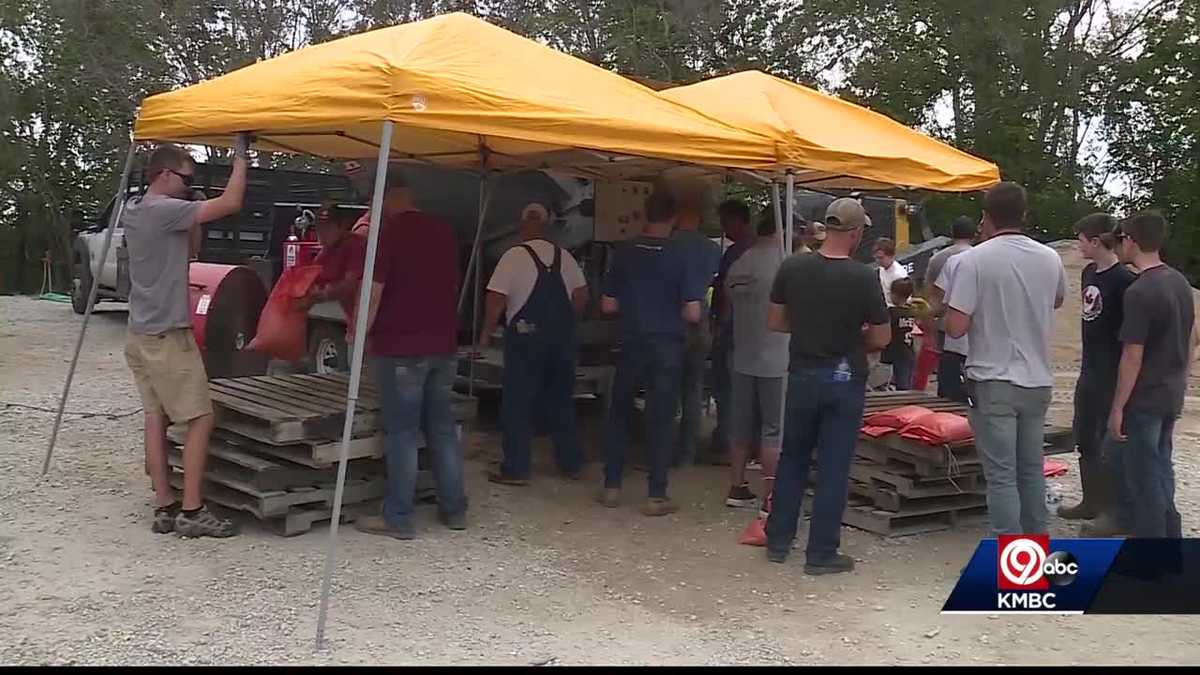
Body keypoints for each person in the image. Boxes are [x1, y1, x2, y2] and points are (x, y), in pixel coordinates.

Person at [122, 137, 249, 538]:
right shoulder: (164, 210)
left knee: (155, 416)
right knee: (200, 416)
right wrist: (242, 158)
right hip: (167, 334)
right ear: (163, 174)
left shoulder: (135, 209)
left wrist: (192, 212)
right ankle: (192, 511)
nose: (189, 185)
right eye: (185, 178)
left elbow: (190, 251)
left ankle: (164, 504)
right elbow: (231, 204)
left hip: (140, 331)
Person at [765, 198, 890, 573]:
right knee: (834, 467)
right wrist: (855, 340)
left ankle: (778, 540)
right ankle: (820, 553)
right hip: (844, 377)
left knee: (793, 458)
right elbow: (882, 337)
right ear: (855, 232)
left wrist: (807, 327)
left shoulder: (793, 266)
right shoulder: (864, 277)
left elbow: (775, 321)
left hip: (802, 373)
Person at [944, 181, 1066, 536]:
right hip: (1037, 380)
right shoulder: (1050, 258)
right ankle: (1036, 548)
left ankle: (1011, 560)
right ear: (1024, 215)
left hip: (993, 378)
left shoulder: (972, 261)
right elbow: (1056, 301)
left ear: (986, 218)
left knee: (1001, 476)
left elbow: (955, 327)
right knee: (1030, 470)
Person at [355, 170, 467, 540]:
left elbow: (374, 293)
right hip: (443, 345)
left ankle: (398, 517)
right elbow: (452, 284)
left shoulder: (389, 236)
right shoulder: (445, 231)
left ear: (387, 197)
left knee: (402, 432)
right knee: (442, 429)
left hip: (402, 347)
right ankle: (454, 509)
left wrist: (360, 334)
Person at [599, 190, 706, 516]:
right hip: (667, 345)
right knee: (661, 418)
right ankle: (656, 495)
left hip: (630, 340)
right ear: (673, 218)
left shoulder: (624, 252)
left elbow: (607, 304)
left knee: (618, 413)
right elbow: (693, 313)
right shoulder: (679, 257)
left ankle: (612, 486)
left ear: (646, 214)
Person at [1101, 212, 1196, 538]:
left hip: (1144, 396)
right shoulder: (1178, 281)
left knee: (1142, 476)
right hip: (1171, 392)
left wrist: (1117, 408)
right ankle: (1172, 538)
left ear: (1131, 240)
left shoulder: (1140, 291)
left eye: (1122, 239)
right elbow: (1190, 336)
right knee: (1161, 467)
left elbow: (1132, 355)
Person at [479, 203, 588, 485]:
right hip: (560, 341)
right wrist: (565, 321)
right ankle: (571, 463)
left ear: (522, 225)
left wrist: (485, 334)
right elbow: (580, 295)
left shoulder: (513, 256)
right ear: (547, 225)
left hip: (526, 339)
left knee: (518, 403)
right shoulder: (564, 256)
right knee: (561, 400)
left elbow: (495, 299)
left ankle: (516, 468)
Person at [1057, 214, 1136, 526]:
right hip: (1089, 368)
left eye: (1081, 239)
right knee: (1085, 435)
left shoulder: (1125, 281)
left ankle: (1112, 510)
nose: (1078, 245)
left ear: (1095, 241)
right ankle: (1091, 501)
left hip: (1111, 370)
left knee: (1109, 440)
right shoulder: (1089, 273)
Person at [724, 209, 789, 511]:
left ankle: (736, 486)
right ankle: (771, 497)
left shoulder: (741, 261)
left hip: (743, 353)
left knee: (740, 425)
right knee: (773, 428)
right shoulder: (785, 263)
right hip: (777, 356)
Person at [670, 188, 722, 467]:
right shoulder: (711, 249)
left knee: (665, 387)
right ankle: (687, 452)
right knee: (693, 389)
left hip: (669, 319)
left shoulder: (667, 245)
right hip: (700, 318)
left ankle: (662, 449)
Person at [707, 199, 754, 465]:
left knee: (727, 388)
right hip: (750, 331)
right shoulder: (758, 251)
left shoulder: (737, 253)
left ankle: (727, 439)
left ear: (739, 221)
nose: (724, 229)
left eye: (726, 222)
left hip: (733, 330)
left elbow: (725, 294)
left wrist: (719, 325)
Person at [914, 216, 976, 394]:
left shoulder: (939, 258)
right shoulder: (980, 256)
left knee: (946, 366)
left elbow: (930, 295)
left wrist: (927, 326)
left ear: (952, 233)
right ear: (973, 234)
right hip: (970, 324)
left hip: (942, 321)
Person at [300, 201, 368, 330]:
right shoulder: (328, 250)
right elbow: (310, 277)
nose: (323, 234)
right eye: (320, 228)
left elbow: (350, 284)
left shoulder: (356, 244)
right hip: (354, 319)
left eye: (328, 228)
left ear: (342, 226)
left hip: (370, 318)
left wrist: (322, 295)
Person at [882, 277, 920, 391]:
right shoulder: (912, 312)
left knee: (901, 386)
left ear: (897, 295)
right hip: (909, 351)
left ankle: (904, 405)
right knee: (906, 382)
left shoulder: (892, 312)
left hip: (896, 352)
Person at [873, 237, 909, 307]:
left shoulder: (899, 275)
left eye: (881, 258)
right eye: (876, 258)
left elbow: (902, 301)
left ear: (891, 255)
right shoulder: (882, 268)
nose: (877, 261)